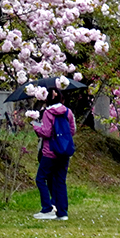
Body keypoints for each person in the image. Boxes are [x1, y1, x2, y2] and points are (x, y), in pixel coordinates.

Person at [31, 90, 76, 221]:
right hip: (64, 151)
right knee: (60, 181)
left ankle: (47, 208)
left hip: (50, 152)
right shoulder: (68, 112)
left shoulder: (48, 113)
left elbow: (46, 132)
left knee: (40, 178)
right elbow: (72, 130)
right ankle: (62, 213)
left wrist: (35, 126)